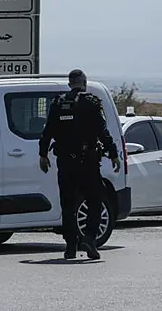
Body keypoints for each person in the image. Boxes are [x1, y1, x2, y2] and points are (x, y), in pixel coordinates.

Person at [39, 69, 121, 260]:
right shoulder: (91, 103)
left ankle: (70, 246)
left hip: (66, 162)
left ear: (70, 84)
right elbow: (103, 132)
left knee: (68, 204)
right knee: (94, 201)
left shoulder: (58, 104)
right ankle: (90, 239)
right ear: (83, 83)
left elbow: (47, 131)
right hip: (88, 162)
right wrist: (115, 155)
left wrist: (43, 155)